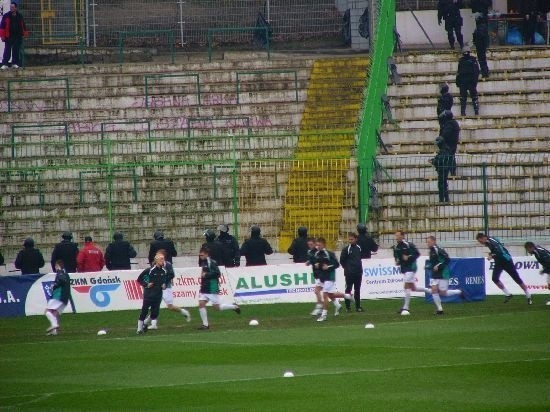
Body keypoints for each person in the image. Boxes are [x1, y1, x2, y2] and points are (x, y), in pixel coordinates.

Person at [476, 233, 532, 304]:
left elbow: (499, 251)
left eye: (480, 241)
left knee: (516, 278)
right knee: (495, 278)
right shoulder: (489, 241)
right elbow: (498, 247)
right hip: (499, 262)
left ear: (483, 238)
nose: (480, 243)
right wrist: (492, 254)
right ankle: (508, 294)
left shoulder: (491, 241)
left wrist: (491, 256)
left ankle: (528, 295)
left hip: (506, 261)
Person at [144, 249, 191, 328]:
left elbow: (172, 275)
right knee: (155, 305)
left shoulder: (168, 264)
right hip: (157, 288)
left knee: (170, 307)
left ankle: (184, 312)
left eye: (158, 255)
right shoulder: (154, 264)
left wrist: (164, 283)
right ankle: (152, 324)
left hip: (166, 288)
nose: (156, 256)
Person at [197, 247, 241, 330]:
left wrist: (206, 275)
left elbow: (217, 273)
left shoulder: (212, 262)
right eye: (200, 255)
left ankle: (233, 307)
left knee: (217, 308)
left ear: (206, 254)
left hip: (212, 287)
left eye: (202, 255)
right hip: (204, 288)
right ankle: (205, 325)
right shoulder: (204, 262)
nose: (200, 256)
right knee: (201, 304)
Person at [315, 237, 352, 322]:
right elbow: (319, 265)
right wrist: (317, 265)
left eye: (319, 245)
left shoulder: (329, 253)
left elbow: (336, 264)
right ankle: (348, 296)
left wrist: (328, 267)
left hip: (330, 276)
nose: (318, 246)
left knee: (325, 295)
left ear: (324, 245)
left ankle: (323, 315)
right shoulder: (317, 254)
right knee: (331, 295)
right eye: (317, 245)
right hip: (323, 277)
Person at [394, 230, 432, 314]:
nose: (396, 237)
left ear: (403, 236)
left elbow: (417, 254)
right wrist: (397, 261)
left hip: (411, 267)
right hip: (404, 268)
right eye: (396, 236)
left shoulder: (408, 244)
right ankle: (431, 291)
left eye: (398, 236)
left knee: (406, 286)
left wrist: (409, 257)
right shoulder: (396, 246)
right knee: (413, 288)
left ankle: (406, 307)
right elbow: (397, 257)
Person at [426, 236, 464, 314]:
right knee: (434, 290)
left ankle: (459, 292)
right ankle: (440, 309)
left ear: (434, 241)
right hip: (435, 274)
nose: (428, 243)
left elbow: (447, 259)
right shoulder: (431, 251)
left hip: (443, 273)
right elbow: (433, 263)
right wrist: (428, 266)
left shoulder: (438, 249)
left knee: (443, 293)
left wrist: (439, 265)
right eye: (427, 242)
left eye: (429, 242)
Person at [136, 253, 168, 334]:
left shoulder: (164, 271)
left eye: (163, 259)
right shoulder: (149, 270)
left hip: (158, 296)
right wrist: (146, 284)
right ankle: (139, 329)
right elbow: (139, 279)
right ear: (156, 260)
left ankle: (145, 324)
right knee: (144, 311)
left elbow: (164, 282)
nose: (163, 261)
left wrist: (164, 285)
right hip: (149, 295)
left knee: (155, 314)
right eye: (161, 259)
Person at [45, 260, 71, 336]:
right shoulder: (66, 274)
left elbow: (62, 280)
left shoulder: (60, 272)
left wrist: (54, 285)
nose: (55, 268)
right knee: (55, 313)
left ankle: (54, 325)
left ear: (58, 266)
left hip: (58, 296)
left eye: (56, 266)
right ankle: (54, 331)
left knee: (47, 311)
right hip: (65, 298)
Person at [340, 232, 364, 312]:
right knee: (348, 289)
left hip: (358, 272)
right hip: (349, 273)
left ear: (356, 239)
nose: (350, 241)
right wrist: (347, 268)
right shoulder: (346, 249)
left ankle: (358, 307)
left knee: (357, 289)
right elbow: (342, 261)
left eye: (352, 239)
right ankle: (348, 307)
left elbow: (360, 258)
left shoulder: (359, 248)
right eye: (349, 239)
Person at [0, 2, 28, 70]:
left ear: (16, 8)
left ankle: (14, 64)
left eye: (12, 7)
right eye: (10, 7)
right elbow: (2, 26)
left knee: (16, 50)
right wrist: (2, 36)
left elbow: (23, 25)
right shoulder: (6, 15)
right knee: (7, 50)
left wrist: (25, 34)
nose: (11, 8)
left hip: (17, 36)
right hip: (8, 36)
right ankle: (5, 64)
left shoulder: (19, 16)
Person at [456, 45, 480, 116]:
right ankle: (474, 111)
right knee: (472, 97)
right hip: (468, 81)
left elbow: (459, 72)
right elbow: (476, 71)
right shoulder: (472, 60)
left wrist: (458, 82)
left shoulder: (462, 61)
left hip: (466, 81)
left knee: (465, 97)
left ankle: (464, 112)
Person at [430, 136, 455, 203]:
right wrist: (434, 160)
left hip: (444, 169)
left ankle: (443, 200)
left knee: (442, 185)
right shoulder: (444, 150)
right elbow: (439, 158)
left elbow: (441, 160)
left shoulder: (445, 150)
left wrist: (433, 161)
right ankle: (444, 199)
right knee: (442, 184)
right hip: (442, 169)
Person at [306, 237, 324, 316]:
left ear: (315, 244)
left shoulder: (318, 251)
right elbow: (312, 260)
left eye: (311, 244)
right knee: (329, 293)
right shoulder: (309, 252)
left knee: (317, 291)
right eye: (308, 244)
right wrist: (309, 262)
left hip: (321, 274)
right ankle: (338, 305)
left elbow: (322, 261)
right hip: (316, 274)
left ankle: (319, 308)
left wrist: (318, 264)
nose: (310, 246)